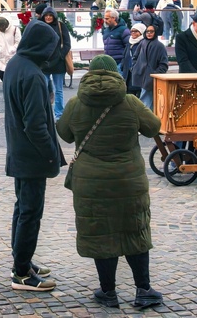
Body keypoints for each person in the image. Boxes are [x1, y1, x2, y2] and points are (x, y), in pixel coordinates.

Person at [57, 54, 165, 309]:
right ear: (115, 74)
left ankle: (108, 292)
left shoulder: (75, 103)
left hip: (91, 183)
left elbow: (64, 133)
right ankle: (143, 290)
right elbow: (153, 127)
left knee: (100, 232)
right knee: (135, 229)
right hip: (129, 181)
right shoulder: (130, 102)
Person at [4, 20, 66, 292]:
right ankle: (22, 273)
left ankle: (22, 260)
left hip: (19, 151)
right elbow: (36, 126)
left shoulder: (16, 64)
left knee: (22, 209)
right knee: (30, 212)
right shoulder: (33, 75)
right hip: (31, 156)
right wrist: (51, 155)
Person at [38, 5, 72, 120]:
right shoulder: (40, 26)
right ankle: (44, 114)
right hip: (45, 63)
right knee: (42, 89)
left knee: (58, 90)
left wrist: (61, 55)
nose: (48, 17)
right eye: (46, 15)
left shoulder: (60, 26)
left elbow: (67, 43)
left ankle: (59, 115)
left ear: (54, 16)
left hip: (58, 63)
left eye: (50, 15)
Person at [125, 23, 168, 109]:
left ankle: (145, 121)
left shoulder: (160, 46)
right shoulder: (143, 43)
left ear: (155, 32)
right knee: (143, 101)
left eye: (151, 31)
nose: (149, 33)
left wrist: (154, 74)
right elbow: (135, 57)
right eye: (147, 31)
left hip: (151, 78)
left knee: (146, 103)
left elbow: (163, 64)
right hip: (139, 76)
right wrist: (135, 68)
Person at [0, 15, 21, 82]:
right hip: (1, 57)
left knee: (12, 78)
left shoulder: (15, 29)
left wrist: (12, 49)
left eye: (2, 27)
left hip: (12, 57)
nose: (1, 28)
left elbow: (18, 42)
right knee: (1, 74)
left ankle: (11, 91)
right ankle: (7, 90)